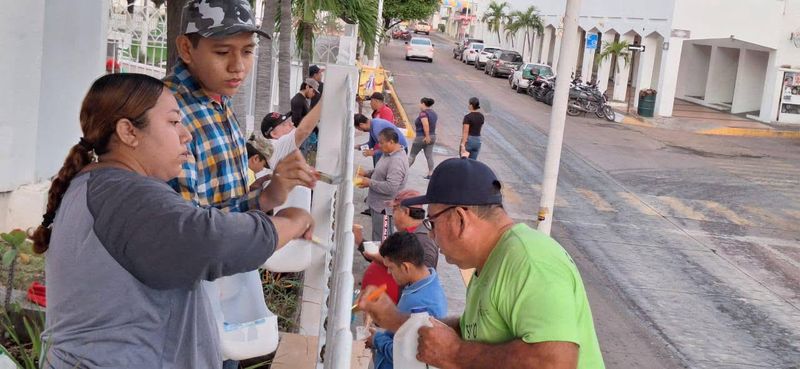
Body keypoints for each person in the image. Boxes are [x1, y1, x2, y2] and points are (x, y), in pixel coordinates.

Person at [34, 74, 315, 369]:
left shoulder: (103, 184)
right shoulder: (124, 194)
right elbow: (213, 241)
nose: (186, 134)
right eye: (173, 122)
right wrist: (292, 221)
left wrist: (267, 198)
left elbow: (194, 224)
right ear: (128, 132)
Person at [164, 2, 317, 368]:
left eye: (247, 51)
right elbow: (189, 233)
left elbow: (223, 203)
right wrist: (280, 227)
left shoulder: (217, 102)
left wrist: (271, 194)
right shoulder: (169, 113)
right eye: (222, 52)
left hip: (223, 304)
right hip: (187, 314)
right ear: (186, 48)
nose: (238, 66)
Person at [359, 158, 605, 369]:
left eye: (432, 223)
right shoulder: (491, 261)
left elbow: (555, 362)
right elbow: (469, 330)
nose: (431, 235)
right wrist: (396, 321)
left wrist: (456, 354)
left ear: (460, 219)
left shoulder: (531, 260)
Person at [366, 232, 448, 369]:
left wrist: (377, 340)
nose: (388, 272)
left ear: (405, 267)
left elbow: (409, 355)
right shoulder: (420, 283)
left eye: (391, 267)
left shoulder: (425, 306)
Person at [356, 128, 409, 243]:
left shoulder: (397, 161)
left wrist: (369, 182)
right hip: (377, 205)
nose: (379, 146)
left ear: (391, 142)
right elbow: (380, 171)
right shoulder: (388, 153)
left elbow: (391, 187)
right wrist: (367, 173)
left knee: (383, 241)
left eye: (381, 143)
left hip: (384, 209)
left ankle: (380, 255)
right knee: (377, 235)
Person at [260, 101, 322, 170]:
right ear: (274, 134)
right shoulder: (276, 146)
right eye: (284, 124)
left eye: (288, 121)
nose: (291, 124)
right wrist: (324, 100)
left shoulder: (274, 149)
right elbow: (303, 130)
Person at [389, 189, 439, 269]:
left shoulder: (423, 241)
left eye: (394, 210)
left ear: (406, 211)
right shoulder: (411, 233)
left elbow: (424, 273)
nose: (393, 215)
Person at [408, 97, 437, 179]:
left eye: (420, 103)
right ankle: (431, 173)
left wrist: (427, 136)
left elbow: (425, 124)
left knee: (412, 155)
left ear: (423, 103)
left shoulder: (423, 114)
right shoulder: (434, 113)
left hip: (421, 137)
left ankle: (403, 171)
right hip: (433, 136)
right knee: (429, 155)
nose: (419, 105)